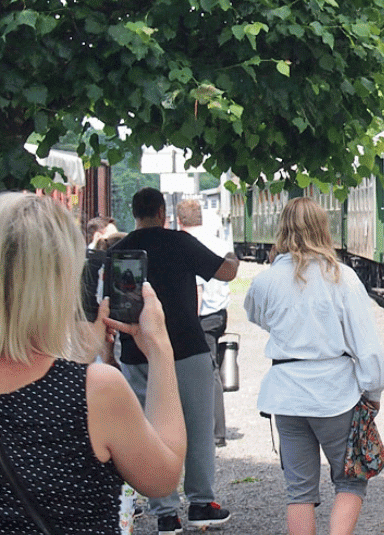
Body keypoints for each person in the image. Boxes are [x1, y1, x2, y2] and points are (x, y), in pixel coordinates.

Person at [0, 192, 186, 534]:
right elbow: (164, 477)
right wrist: (159, 348)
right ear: (58, 278)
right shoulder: (97, 390)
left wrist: (83, 351)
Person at [244, 197, 384, 535]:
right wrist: (374, 390)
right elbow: (366, 346)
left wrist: (290, 331)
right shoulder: (342, 277)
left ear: (282, 229)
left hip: (286, 396)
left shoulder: (266, 281)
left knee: (299, 490)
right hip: (334, 394)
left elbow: (255, 314)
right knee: (350, 481)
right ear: (323, 228)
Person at [112, 187, 238, 535]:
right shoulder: (179, 242)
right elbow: (225, 272)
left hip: (137, 352)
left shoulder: (118, 251)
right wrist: (233, 255)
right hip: (186, 347)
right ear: (162, 213)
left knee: (151, 430)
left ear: (134, 213)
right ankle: (201, 504)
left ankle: (165, 512)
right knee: (198, 427)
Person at [176, 198, 234, 447]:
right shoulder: (220, 243)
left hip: (199, 316)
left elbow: (197, 289)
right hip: (219, 314)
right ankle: (213, 428)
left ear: (179, 220)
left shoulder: (188, 244)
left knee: (207, 372)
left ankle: (213, 431)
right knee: (211, 369)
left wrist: (189, 321)